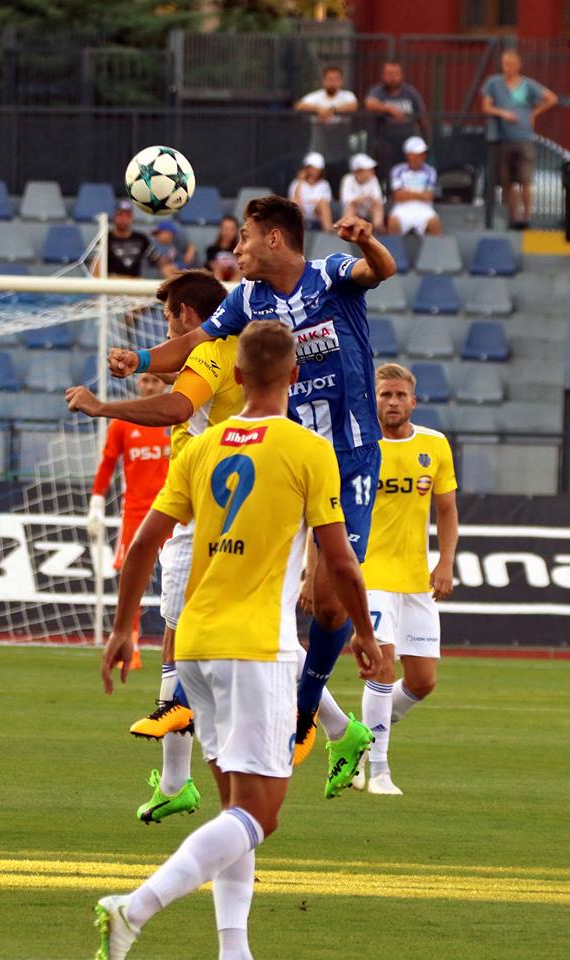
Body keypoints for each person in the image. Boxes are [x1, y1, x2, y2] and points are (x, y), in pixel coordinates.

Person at [92, 321, 380, 960]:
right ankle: (130, 910)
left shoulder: (198, 447)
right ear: (296, 377)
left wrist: (121, 628)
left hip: (192, 643)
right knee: (261, 814)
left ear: (237, 377)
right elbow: (339, 560)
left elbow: (143, 542)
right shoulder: (309, 450)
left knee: (232, 806)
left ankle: (233, 949)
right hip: (258, 649)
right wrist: (364, 634)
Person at [106, 196, 395, 796]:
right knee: (271, 587)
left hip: (350, 454)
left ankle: (303, 707)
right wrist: (138, 360)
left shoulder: (331, 275)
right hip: (285, 459)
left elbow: (380, 270)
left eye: (244, 239)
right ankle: (219, 707)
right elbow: (190, 345)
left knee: (330, 603)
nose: (235, 250)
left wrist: (365, 240)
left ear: (275, 240)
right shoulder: (245, 299)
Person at [69, 269, 240, 824]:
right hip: (244, 496)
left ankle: (336, 726)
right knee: (210, 637)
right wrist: (140, 362)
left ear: (188, 316)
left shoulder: (212, 352)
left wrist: (103, 407)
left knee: (182, 643)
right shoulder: (244, 342)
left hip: (205, 499)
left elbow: (176, 404)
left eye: (170, 318)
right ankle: (175, 782)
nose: (169, 330)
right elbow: (180, 362)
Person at [352, 363, 458, 795]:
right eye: (384, 395)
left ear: (413, 401)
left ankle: (358, 736)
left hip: (415, 579)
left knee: (422, 681)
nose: (392, 402)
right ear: (373, 399)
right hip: (369, 574)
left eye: (399, 395)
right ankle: (378, 769)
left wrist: (446, 562)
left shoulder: (434, 444)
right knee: (381, 664)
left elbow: (447, 510)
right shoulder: (358, 443)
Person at [87, 372, 172, 670]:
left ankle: (182, 643)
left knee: (183, 575)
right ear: (139, 383)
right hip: (136, 512)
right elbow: (108, 462)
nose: (150, 385)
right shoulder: (123, 422)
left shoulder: (176, 418)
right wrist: (96, 502)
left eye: (155, 381)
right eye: (145, 380)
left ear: (165, 383)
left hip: (174, 510)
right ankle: (130, 641)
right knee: (131, 576)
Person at [482, 50, 558, 230]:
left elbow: (551, 98)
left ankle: (526, 216)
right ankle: (513, 216)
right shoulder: (494, 83)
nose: (507, 67)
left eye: (510, 63)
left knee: (525, 179)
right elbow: (486, 107)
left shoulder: (527, 85)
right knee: (508, 181)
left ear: (518, 65)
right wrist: (503, 113)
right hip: (504, 139)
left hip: (524, 138)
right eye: (504, 63)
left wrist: (535, 112)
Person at [365, 62, 429, 172]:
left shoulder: (410, 92)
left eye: (395, 74)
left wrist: (426, 138)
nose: (392, 78)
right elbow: (369, 103)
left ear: (401, 75)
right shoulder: (378, 91)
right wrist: (389, 109)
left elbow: (422, 116)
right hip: (385, 141)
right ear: (383, 75)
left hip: (407, 140)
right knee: (385, 170)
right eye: (389, 74)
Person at [388, 136, 441, 236]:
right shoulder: (397, 170)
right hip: (402, 208)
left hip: (424, 208)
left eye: (423, 153)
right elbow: (398, 196)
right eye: (417, 154)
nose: (422, 156)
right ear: (409, 155)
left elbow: (429, 196)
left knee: (434, 222)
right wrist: (420, 194)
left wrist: (407, 192)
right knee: (392, 222)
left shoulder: (430, 171)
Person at [98, 200, 161, 278]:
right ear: (114, 217)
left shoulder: (141, 238)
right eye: (120, 215)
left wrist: (167, 266)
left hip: (134, 285)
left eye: (127, 215)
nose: (124, 219)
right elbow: (96, 266)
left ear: (132, 218)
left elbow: (157, 259)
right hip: (112, 283)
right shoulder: (105, 238)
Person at [288, 152, 333, 232]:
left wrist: (314, 202)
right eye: (310, 168)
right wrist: (300, 181)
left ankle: (328, 232)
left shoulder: (324, 184)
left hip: (316, 214)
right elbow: (294, 200)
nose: (313, 171)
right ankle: (293, 233)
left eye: (315, 168)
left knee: (323, 204)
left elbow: (325, 202)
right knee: (294, 203)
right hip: (302, 212)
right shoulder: (296, 183)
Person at [340, 153, 385, 231]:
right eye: (369, 169)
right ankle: (347, 230)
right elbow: (346, 201)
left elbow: (378, 199)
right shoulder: (347, 180)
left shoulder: (373, 179)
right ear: (358, 171)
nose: (372, 171)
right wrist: (362, 199)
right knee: (351, 207)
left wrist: (370, 200)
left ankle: (378, 229)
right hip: (354, 213)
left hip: (369, 212)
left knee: (377, 205)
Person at [205, 216, 241, 282]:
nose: (228, 232)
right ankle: (220, 290)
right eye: (226, 229)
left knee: (239, 270)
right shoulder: (212, 249)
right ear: (220, 230)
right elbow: (211, 265)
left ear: (236, 231)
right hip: (217, 277)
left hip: (235, 276)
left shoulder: (240, 250)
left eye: (232, 229)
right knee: (218, 269)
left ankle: (233, 291)